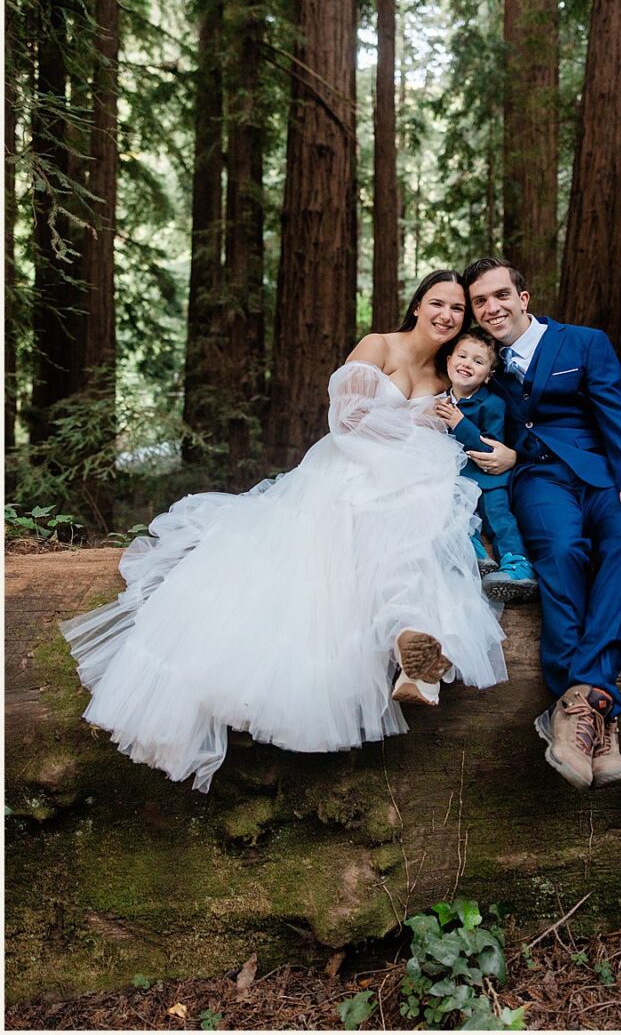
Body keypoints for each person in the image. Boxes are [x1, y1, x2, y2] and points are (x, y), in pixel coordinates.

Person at [60, 271, 509, 792]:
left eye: (457, 310)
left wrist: (496, 449)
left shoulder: (447, 376)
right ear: (417, 306)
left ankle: (414, 645)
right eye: (438, 303)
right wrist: (416, 426)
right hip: (344, 470)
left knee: (408, 528)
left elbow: (467, 434)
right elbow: (347, 418)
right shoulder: (378, 345)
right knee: (358, 528)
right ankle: (409, 639)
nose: (447, 316)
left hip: (409, 481)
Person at [461, 257, 621, 792]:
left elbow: (618, 416)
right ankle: (593, 709)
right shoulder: (482, 364)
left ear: (524, 298)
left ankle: (578, 704)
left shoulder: (584, 343)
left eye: (500, 295)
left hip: (599, 477)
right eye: (480, 301)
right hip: (538, 481)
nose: (491, 307)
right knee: (564, 550)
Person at [433, 327, 535, 593]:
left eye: (478, 362)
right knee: (455, 513)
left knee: (499, 518)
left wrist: (458, 422)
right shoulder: (440, 400)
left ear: (489, 374)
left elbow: (488, 449)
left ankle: (517, 563)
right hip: (456, 479)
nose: (467, 364)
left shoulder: (492, 404)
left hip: (489, 478)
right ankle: (475, 553)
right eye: (462, 357)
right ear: (449, 360)